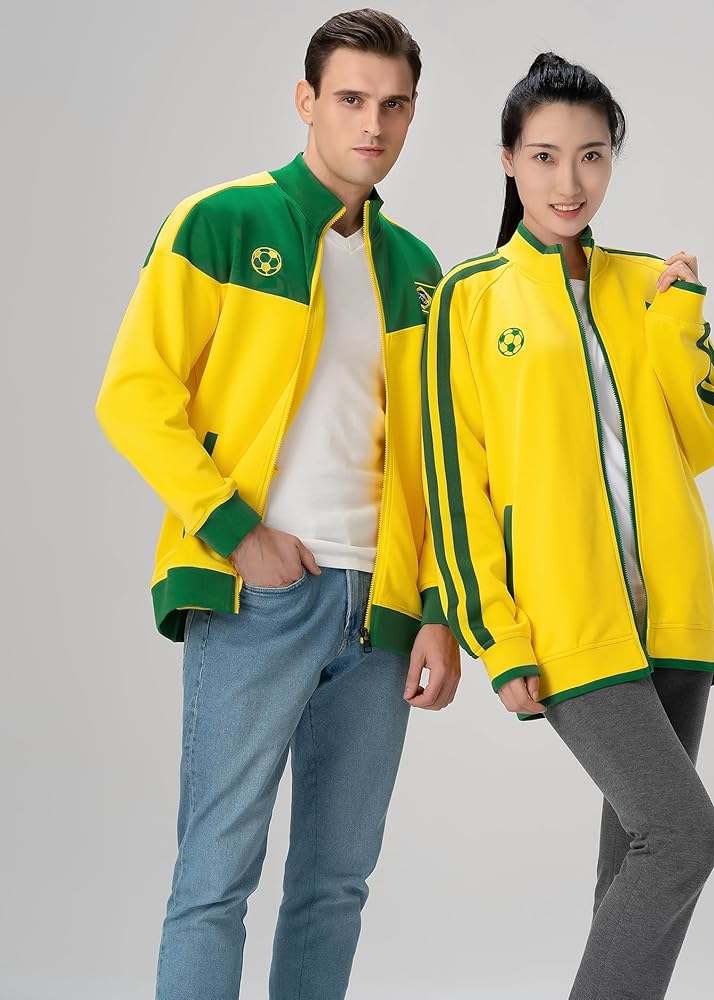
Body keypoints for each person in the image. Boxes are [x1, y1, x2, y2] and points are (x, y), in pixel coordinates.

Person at [95, 10, 460, 999]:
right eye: (350, 99)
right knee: (214, 880)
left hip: (379, 609)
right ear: (306, 101)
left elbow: (434, 462)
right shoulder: (222, 221)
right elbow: (133, 396)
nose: (372, 124)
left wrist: (436, 609)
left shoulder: (418, 271)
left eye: (394, 105)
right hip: (260, 594)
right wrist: (236, 532)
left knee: (336, 886)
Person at [421, 52, 714, 999]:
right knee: (681, 837)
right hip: (566, 621)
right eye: (546, 156)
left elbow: (708, 438)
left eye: (592, 156)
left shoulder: (647, 283)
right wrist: (495, 634)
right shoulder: (470, 296)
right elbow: (454, 483)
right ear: (508, 161)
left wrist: (678, 323)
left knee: (636, 860)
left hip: (672, 614)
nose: (570, 181)